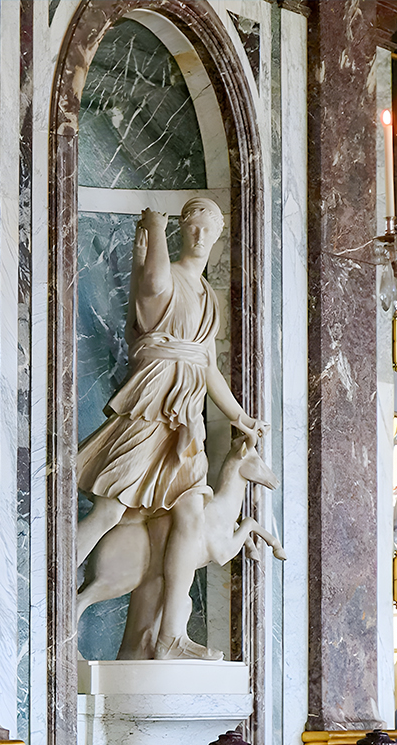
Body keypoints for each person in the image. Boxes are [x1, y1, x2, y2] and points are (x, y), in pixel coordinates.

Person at [73, 199, 265, 660]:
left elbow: (207, 365)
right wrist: (154, 230)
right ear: (182, 231)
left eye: (207, 230)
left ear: (218, 236)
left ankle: (168, 638)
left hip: (188, 417)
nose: (199, 237)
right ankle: (47, 598)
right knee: (108, 512)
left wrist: (238, 415)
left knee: (191, 515)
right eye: (191, 227)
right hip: (151, 406)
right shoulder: (162, 275)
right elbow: (154, 282)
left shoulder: (208, 298)